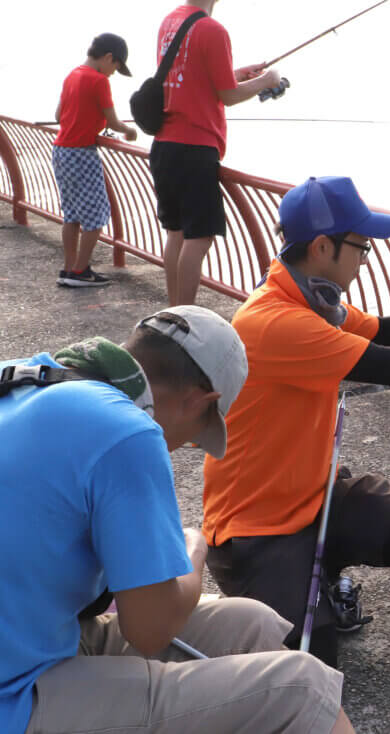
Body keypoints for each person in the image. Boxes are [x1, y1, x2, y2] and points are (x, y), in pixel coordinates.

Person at [0, 305, 354, 734]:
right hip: (15, 695)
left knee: (250, 622)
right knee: (305, 687)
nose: (179, 446)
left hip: (33, 640)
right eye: (194, 435)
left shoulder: (24, 377)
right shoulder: (127, 431)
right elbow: (148, 629)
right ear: (200, 401)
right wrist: (194, 548)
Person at [202, 175, 390, 667]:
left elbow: (383, 334)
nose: (365, 258)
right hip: (256, 526)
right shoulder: (277, 321)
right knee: (310, 672)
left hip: (313, 494)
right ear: (323, 247)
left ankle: (321, 576)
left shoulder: (312, 300)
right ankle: (286, 589)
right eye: (362, 247)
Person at [150, 0, 282, 306]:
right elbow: (229, 95)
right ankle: (186, 314)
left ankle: (173, 310)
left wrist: (237, 73)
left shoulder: (171, 21)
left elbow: (191, 75)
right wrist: (267, 80)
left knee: (176, 232)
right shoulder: (212, 29)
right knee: (199, 237)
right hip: (195, 146)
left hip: (164, 144)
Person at [52, 33, 137, 288]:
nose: (112, 73)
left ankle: (68, 268)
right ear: (109, 57)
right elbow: (112, 122)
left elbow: (58, 115)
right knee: (96, 216)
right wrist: (129, 131)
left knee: (72, 215)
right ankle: (80, 271)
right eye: (116, 67)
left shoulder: (72, 75)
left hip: (61, 151)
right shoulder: (98, 81)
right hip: (82, 153)